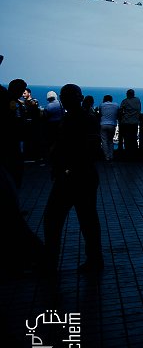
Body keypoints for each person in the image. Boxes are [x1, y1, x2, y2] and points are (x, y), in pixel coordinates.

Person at [42, 83, 104, 274]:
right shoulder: (81, 118)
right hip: (80, 176)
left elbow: (88, 148)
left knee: (55, 219)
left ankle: (51, 261)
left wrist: (66, 166)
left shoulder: (79, 119)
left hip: (74, 177)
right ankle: (94, 259)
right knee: (87, 220)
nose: (67, 99)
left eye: (69, 96)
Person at [118, 88, 142, 158]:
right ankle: (135, 154)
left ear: (127, 94)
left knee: (126, 139)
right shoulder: (137, 100)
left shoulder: (125, 101)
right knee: (134, 139)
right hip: (135, 122)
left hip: (126, 122)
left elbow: (120, 111)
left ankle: (127, 154)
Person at [42, 90, 64, 158]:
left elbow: (45, 116)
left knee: (51, 140)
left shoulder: (49, 106)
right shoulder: (61, 103)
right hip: (60, 123)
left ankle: (51, 155)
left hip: (51, 125)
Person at [98, 94, 119, 162]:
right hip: (112, 125)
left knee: (104, 141)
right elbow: (118, 114)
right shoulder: (116, 105)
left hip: (103, 124)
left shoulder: (102, 105)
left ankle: (106, 157)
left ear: (104, 99)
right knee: (110, 141)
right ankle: (111, 156)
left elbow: (100, 114)